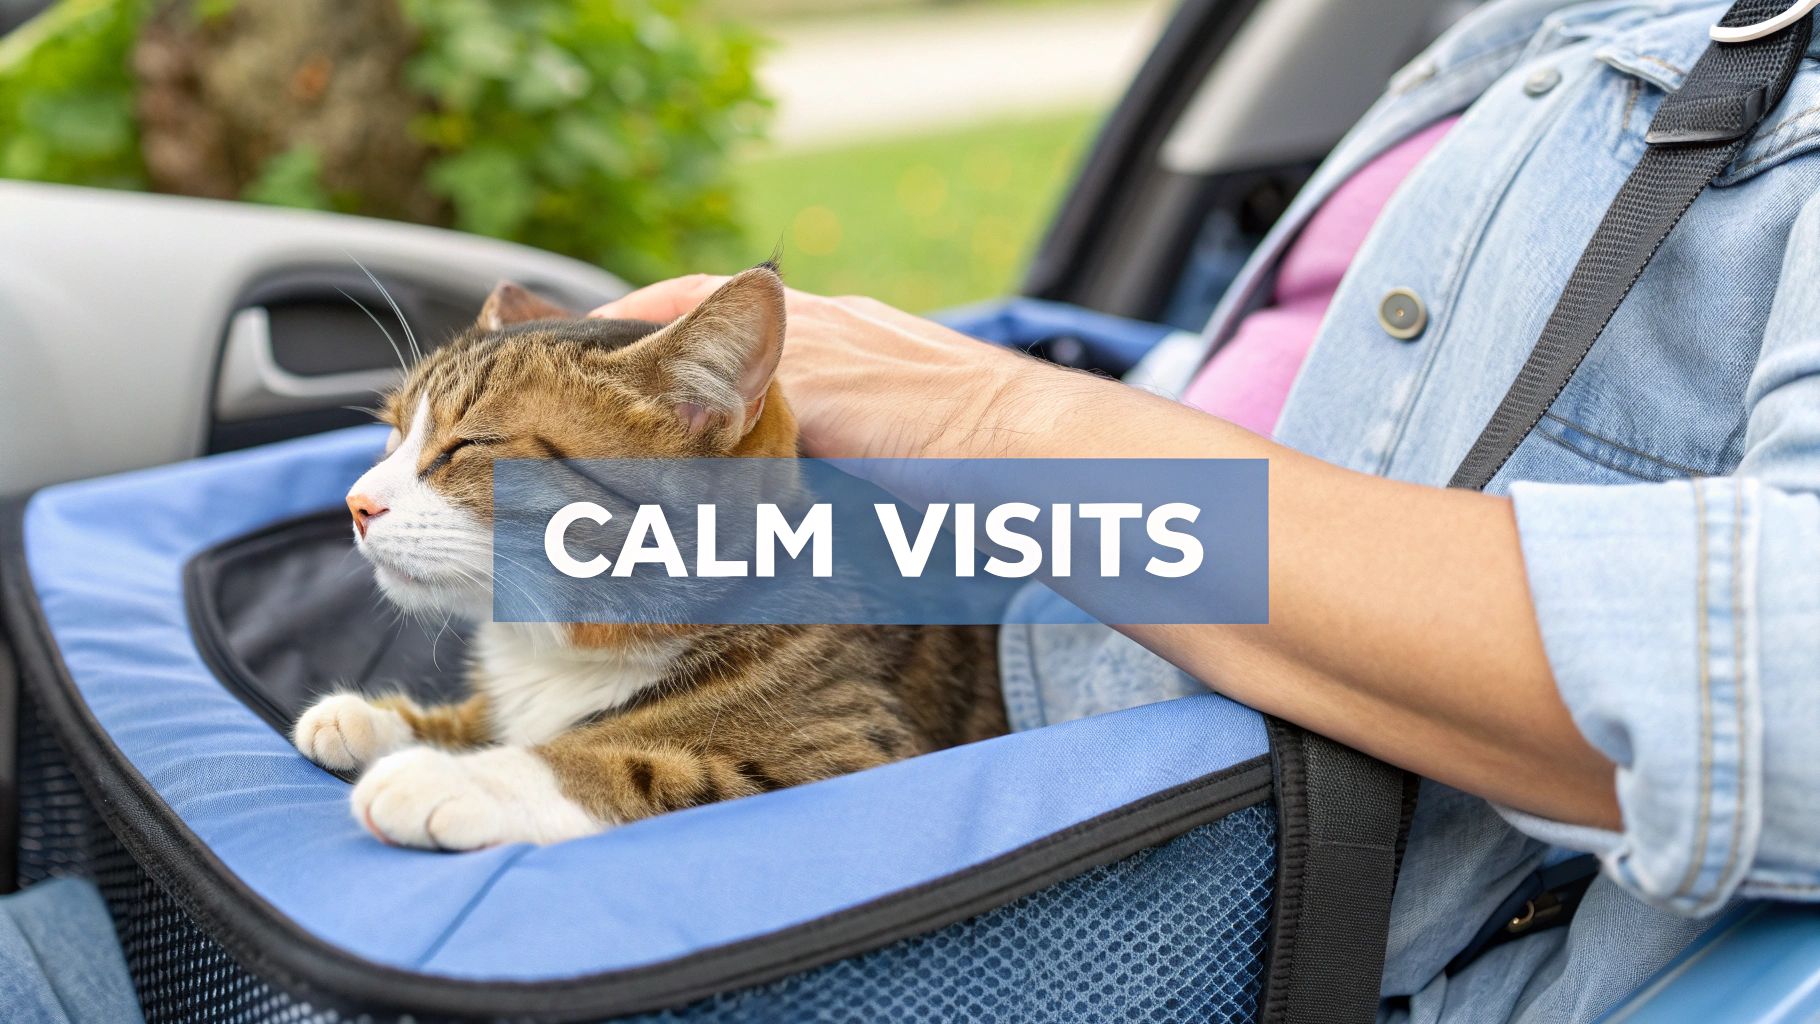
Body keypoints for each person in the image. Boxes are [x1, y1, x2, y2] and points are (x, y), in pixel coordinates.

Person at [594, 1, 1820, 1020]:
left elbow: (1788, 681)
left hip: (1191, 890)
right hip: (997, 638)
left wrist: (989, 422)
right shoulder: (1554, 20)